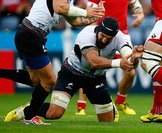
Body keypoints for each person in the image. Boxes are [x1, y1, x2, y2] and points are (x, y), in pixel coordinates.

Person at [3, 0, 105, 125]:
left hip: (28, 33)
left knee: (35, 80)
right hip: (31, 34)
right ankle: (29, 117)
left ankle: (27, 113)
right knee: (49, 80)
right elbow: (59, 8)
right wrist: (86, 11)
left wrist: (92, 17)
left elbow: (74, 22)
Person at [4, 17, 144, 123]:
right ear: (98, 30)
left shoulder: (121, 38)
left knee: (107, 121)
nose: (105, 40)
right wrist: (120, 62)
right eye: (103, 36)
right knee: (55, 114)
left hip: (96, 78)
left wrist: (134, 58)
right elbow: (93, 61)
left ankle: (109, 108)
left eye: (109, 38)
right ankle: (28, 109)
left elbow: (129, 62)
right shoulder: (87, 34)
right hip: (71, 73)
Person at [76, 0, 144, 116]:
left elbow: (135, 4)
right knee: (88, 68)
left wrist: (140, 16)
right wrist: (90, 31)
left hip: (123, 35)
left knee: (131, 70)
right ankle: (81, 106)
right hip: (101, 36)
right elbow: (90, 13)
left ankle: (121, 102)